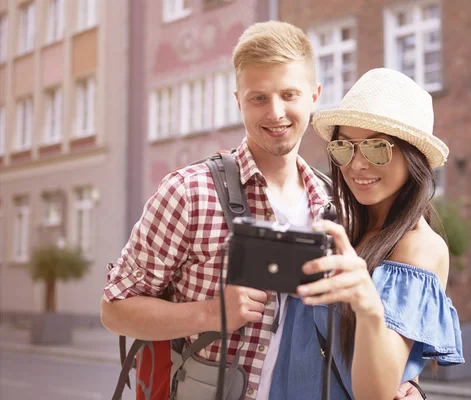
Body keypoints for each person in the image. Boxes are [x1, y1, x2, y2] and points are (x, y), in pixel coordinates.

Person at [101, 21, 422, 400]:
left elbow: (362, 326)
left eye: (289, 94)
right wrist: (209, 313)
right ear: (238, 100)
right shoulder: (188, 192)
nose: (275, 113)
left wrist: (407, 384)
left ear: (314, 96)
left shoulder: (336, 206)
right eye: (258, 98)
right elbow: (115, 309)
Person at [268, 68, 465, 400]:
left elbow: (376, 394)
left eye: (377, 147)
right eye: (345, 147)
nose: (357, 164)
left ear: (412, 156)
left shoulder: (419, 248)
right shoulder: (338, 227)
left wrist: (370, 308)